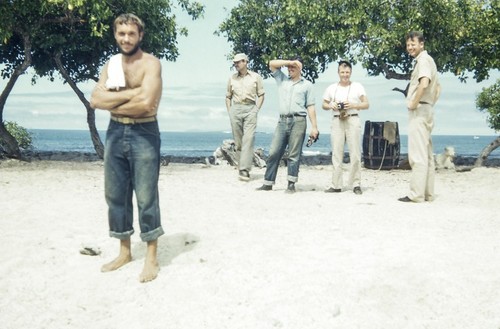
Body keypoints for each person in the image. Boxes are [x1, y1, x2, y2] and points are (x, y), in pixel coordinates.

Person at [90, 13, 164, 282]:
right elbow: (96, 99)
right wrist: (134, 93)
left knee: (146, 196)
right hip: (115, 131)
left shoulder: (151, 64)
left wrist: (116, 99)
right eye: (121, 33)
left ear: (140, 35)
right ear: (115, 34)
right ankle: (124, 252)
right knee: (116, 195)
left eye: (131, 34)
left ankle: (152, 257)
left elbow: (147, 105)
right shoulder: (111, 65)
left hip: (144, 131)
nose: (126, 38)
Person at [256, 57, 319, 193]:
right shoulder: (282, 80)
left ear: (300, 68)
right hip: (282, 121)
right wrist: (288, 62)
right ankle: (268, 182)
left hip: (299, 121)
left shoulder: (307, 85)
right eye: (289, 67)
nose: (290, 69)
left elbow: (311, 107)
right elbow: (271, 64)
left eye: (293, 67)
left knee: (293, 154)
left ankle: (291, 184)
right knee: (273, 152)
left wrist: (314, 127)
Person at [399, 31, 441, 202]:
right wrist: (430, 103)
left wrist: (414, 103)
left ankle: (416, 194)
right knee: (427, 154)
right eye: (408, 44)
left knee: (417, 155)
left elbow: (424, 83)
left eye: (413, 44)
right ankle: (428, 193)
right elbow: (438, 88)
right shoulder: (429, 60)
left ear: (422, 44)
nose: (410, 47)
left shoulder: (423, 60)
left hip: (420, 110)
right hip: (428, 109)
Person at [322, 60, 370, 195]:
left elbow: (366, 104)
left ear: (351, 72)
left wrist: (353, 105)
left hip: (352, 119)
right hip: (337, 120)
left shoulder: (357, 86)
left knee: (355, 153)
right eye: (342, 72)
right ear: (338, 73)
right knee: (337, 153)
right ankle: (336, 185)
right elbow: (323, 104)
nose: (345, 75)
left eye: (347, 72)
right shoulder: (331, 88)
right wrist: (331, 105)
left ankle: (356, 184)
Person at [225, 53, 265, 181]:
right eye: (235, 63)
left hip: (250, 108)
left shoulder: (256, 77)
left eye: (238, 62)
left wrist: (256, 109)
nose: (236, 64)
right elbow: (228, 97)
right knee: (238, 141)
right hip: (236, 109)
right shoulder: (232, 78)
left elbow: (261, 95)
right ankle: (240, 166)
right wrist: (230, 111)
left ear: (245, 62)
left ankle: (244, 170)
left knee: (249, 139)